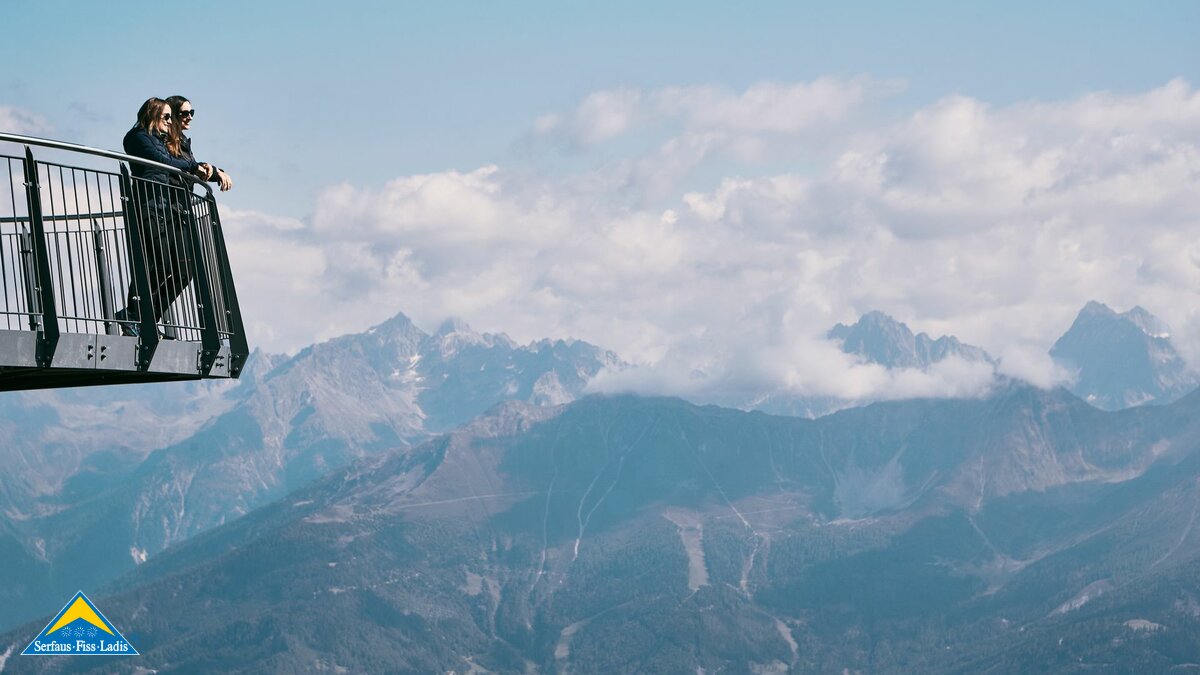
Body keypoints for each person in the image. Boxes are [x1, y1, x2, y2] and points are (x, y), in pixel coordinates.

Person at [115, 97, 211, 336]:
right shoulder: (137, 137)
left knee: (183, 269)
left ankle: (141, 317)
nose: (171, 122)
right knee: (154, 264)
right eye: (166, 117)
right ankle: (134, 316)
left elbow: (179, 159)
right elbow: (161, 161)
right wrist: (190, 168)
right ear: (152, 115)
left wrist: (208, 170)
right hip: (147, 206)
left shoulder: (160, 140)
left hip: (163, 208)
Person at [165, 95, 232, 192]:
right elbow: (186, 166)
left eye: (192, 113)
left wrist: (215, 172)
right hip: (171, 200)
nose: (190, 117)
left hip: (180, 202)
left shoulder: (182, 141)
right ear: (173, 115)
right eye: (185, 113)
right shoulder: (164, 139)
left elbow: (192, 166)